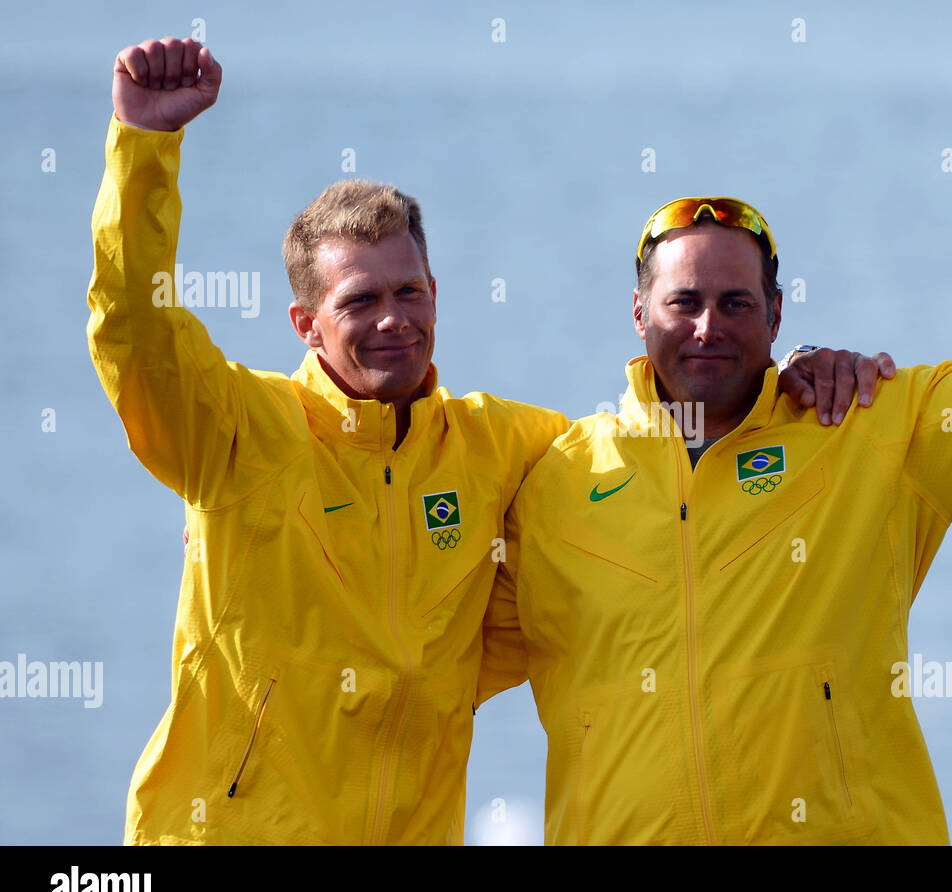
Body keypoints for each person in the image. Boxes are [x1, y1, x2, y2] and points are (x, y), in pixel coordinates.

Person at [88, 36, 889, 844]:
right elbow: (134, 329)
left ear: (436, 294)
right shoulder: (230, 431)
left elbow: (655, 444)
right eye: (360, 301)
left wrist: (789, 372)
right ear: (306, 325)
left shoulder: (504, 446)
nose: (393, 320)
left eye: (408, 292)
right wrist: (145, 150)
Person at [480, 23, 952, 844]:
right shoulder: (555, 485)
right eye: (684, 303)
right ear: (639, 314)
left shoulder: (871, 427)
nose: (710, 327)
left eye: (737, 304)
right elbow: (408, 649)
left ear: (777, 315)